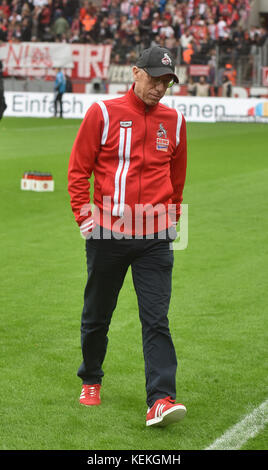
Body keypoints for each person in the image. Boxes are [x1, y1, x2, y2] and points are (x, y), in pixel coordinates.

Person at [68, 46, 187, 427]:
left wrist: (173, 217)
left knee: (156, 319)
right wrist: (85, 217)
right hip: (108, 234)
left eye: (167, 81)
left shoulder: (176, 121)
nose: (160, 88)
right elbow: (78, 170)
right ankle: (90, 377)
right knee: (97, 314)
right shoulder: (102, 113)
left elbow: (177, 180)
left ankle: (161, 399)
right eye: (154, 78)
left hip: (155, 235)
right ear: (135, 73)